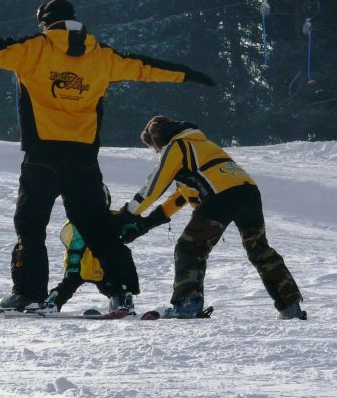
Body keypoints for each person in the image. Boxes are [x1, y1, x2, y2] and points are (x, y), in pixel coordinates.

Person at [0, 0, 215, 311]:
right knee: (97, 227)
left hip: (42, 154)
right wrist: (188, 74)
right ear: (74, 20)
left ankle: (28, 295)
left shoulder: (35, 48)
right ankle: (121, 289)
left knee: (30, 225)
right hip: (83, 158)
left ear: (45, 22)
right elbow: (146, 67)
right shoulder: (101, 55)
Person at [116, 115, 306, 319]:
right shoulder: (201, 145)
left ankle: (188, 303)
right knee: (259, 250)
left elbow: (153, 186)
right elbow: (178, 199)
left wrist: (126, 215)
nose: (156, 152)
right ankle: (290, 306)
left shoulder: (176, 146)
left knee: (189, 247)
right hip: (249, 193)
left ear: (157, 139)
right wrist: (144, 225)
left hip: (221, 196)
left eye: (154, 147)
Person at [44, 184, 138, 313]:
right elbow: (69, 238)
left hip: (98, 267)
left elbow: (128, 225)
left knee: (111, 285)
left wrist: (130, 230)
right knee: (68, 286)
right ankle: (52, 302)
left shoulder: (109, 217)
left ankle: (121, 301)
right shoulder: (77, 221)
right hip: (83, 267)